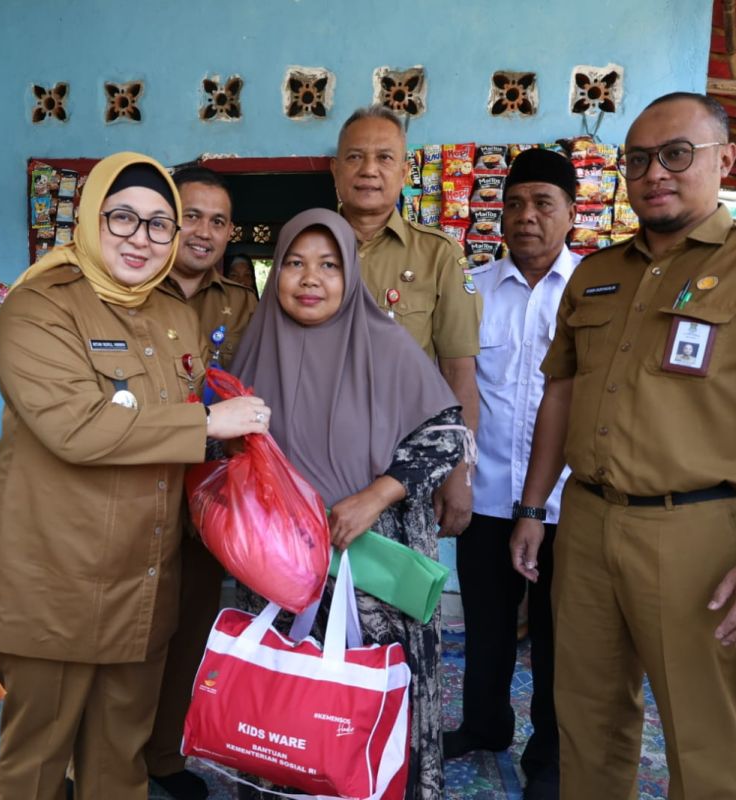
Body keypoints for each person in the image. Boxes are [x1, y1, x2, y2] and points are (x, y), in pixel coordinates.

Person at [510, 92, 736, 799]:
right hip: (588, 524)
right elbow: (560, 394)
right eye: (638, 159)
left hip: (701, 531)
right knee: (586, 721)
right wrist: (533, 506)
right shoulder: (597, 273)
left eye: (676, 154)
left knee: (703, 735)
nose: (655, 172)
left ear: (725, 159)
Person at [0, 152, 270, 800]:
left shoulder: (171, 314)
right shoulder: (39, 308)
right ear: (90, 217)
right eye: (123, 217)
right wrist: (208, 424)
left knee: (118, 764)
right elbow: (77, 427)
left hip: (142, 578)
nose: (141, 237)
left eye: (160, 225)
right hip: (56, 581)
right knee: (36, 765)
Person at [232, 208, 471, 800]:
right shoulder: (254, 349)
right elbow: (224, 452)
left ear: (351, 275)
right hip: (282, 570)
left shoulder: (384, 344)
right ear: (275, 272)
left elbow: (446, 435)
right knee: (284, 706)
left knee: (374, 709)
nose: (310, 279)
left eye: (329, 266)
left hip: (377, 563)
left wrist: (372, 497)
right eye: (294, 263)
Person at [445, 148, 579, 800]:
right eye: (516, 203)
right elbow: (455, 389)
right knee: (488, 625)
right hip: (488, 493)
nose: (526, 217)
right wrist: (458, 479)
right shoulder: (471, 289)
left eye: (543, 203)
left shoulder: (594, 290)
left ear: (571, 213)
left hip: (565, 505)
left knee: (559, 639)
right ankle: (484, 724)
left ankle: (548, 760)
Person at [147, 166, 258, 800]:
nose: (204, 231)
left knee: (190, 628)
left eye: (218, 221)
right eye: (191, 215)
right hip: (136, 487)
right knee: (128, 636)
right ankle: (104, 763)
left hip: (208, 496)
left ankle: (163, 757)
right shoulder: (129, 287)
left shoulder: (241, 304)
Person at [331, 105, 481, 538]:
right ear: (335, 169)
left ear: (404, 171)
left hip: (405, 470)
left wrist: (459, 471)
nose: (369, 170)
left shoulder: (438, 255)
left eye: (385, 157)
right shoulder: (308, 247)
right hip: (317, 465)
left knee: (396, 600)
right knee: (312, 597)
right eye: (355, 157)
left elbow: (458, 372)